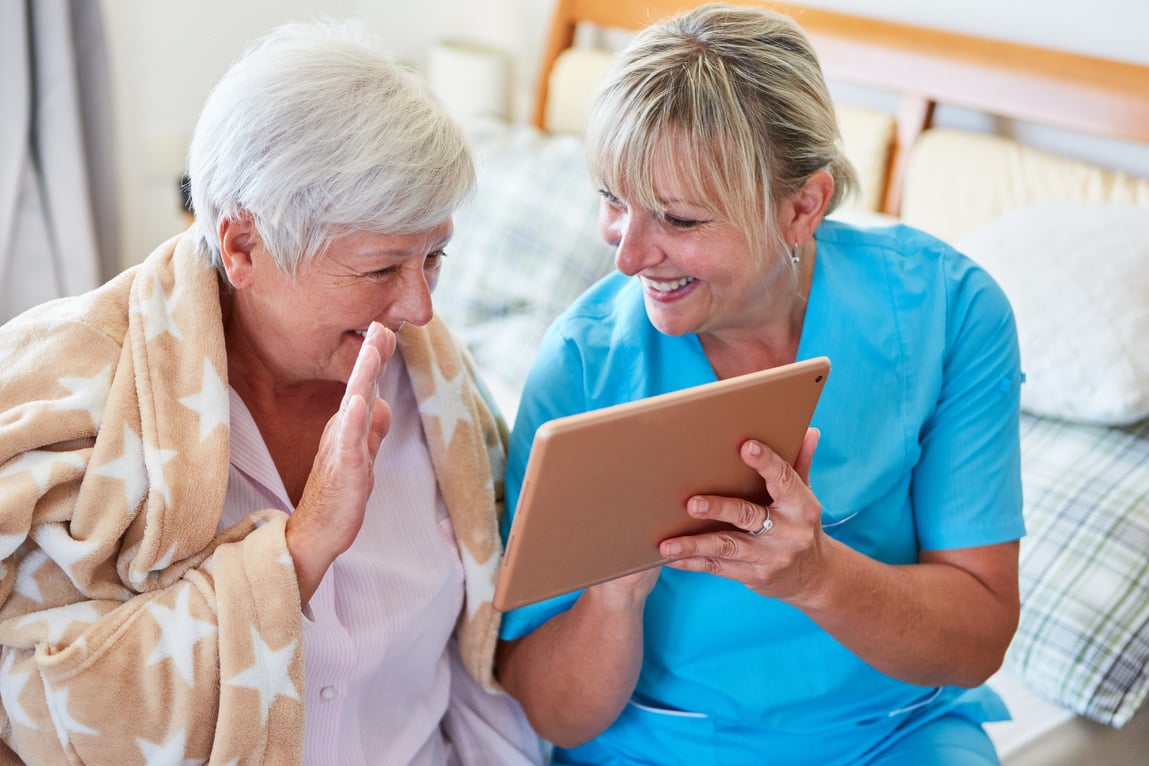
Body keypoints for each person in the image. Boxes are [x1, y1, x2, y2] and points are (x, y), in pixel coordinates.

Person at [0, 19, 543, 766]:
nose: (419, 309)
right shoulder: (64, 400)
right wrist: (300, 548)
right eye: (382, 269)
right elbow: (46, 706)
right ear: (242, 246)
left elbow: (480, 664)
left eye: (435, 257)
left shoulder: (434, 382)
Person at [495, 4, 1025, 765]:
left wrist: (815, 575)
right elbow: (547, 711)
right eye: (613, 201)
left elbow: (977, 639)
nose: (629, 256)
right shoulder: (584, 366)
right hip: (657, 745)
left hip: (892, 735)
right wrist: (614, 595)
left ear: (801, 207)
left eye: (678, 219)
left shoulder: (947, 310)